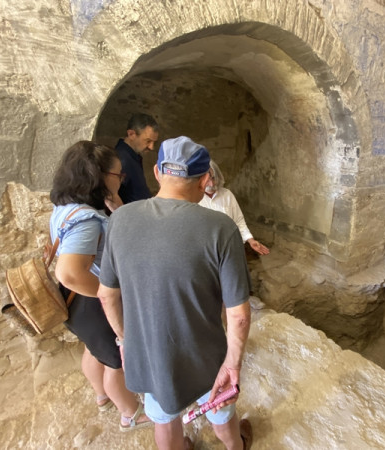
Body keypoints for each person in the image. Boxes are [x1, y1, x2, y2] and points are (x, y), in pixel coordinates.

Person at [98, 136, 254, 450]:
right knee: (221, 415)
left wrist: (125, 341)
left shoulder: (119, 219)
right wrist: (232, 365)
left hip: (149, 351)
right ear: (205, 179)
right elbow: (238, 315)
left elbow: (106, 294)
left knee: (163, 418)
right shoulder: (221, 228)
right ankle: (235, 445)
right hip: (205, 356)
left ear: (157, 172)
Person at [49, 141, 151, 432]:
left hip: (75, 304)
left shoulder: (66, 207)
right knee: (116, 362)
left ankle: (102, 396)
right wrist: (109, 297)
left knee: (94, 351)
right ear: (100, 176)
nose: (122, 179)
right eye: (119, 175)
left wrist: (116, 206)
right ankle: (129, 414)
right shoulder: (87, 221)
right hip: (94, 301)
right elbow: (69, 272)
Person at [200, 160, 270, 256]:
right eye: (207, 180)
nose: (211, 184)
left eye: (213, 178)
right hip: (206, 252)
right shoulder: (193, 199)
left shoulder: (227, 195)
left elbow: (238, 220)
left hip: (230, 248)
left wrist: (250, 240)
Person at [115, 113, 159, 204]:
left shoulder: (133, 156)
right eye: (148, 141)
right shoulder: (120, 159)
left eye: (154, 142)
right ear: (131, 134)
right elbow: (111, 196)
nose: (151, 147)